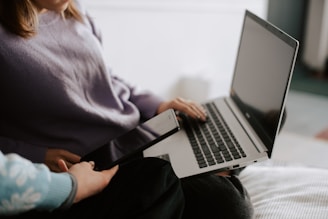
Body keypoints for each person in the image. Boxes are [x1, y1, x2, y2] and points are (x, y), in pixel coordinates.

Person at [0, 0, 254, 218]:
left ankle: (211, 164)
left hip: (134, 136)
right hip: (95, 164)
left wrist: (158, 104)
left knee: (244, 122)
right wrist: (34, 155)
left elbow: (107, 78)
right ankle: (215, 168)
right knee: (228, 202)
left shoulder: (70, 8)